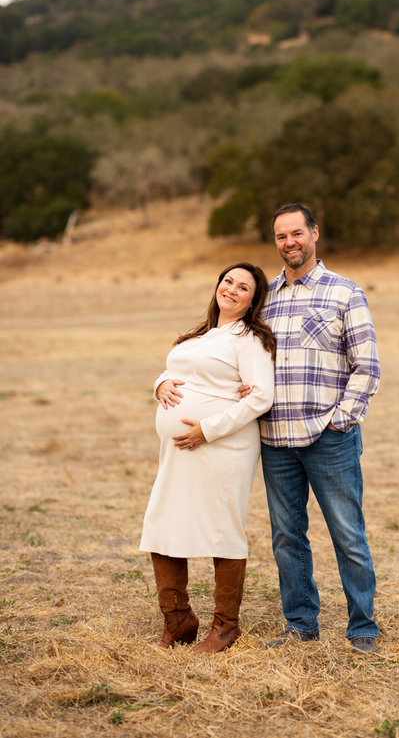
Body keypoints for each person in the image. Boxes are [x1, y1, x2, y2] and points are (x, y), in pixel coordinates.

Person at [258, 203, 381, 654]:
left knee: (348, 534)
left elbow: (366, 367)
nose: (289, 242)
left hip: (329, 438)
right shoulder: (263, 298)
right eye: (280, 236)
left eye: (296, 233)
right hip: (274, 440)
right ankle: (300, 623)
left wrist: (340, 421)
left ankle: (362, 626)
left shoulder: (345, 293)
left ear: (314, 234)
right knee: (287, 537)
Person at [139, 262, 275, 654]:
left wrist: (207, 429)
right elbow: (173, 369)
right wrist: (160, 383)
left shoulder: (249, 338)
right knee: (163, 521)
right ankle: (178, 620)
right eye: (227, 281)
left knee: (221, 527)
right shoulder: (201, 334)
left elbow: (261, 397)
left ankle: (226, 626)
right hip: (180, 450)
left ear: (253, 301)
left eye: (243, 287)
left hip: (223, 447)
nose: (231, 289)